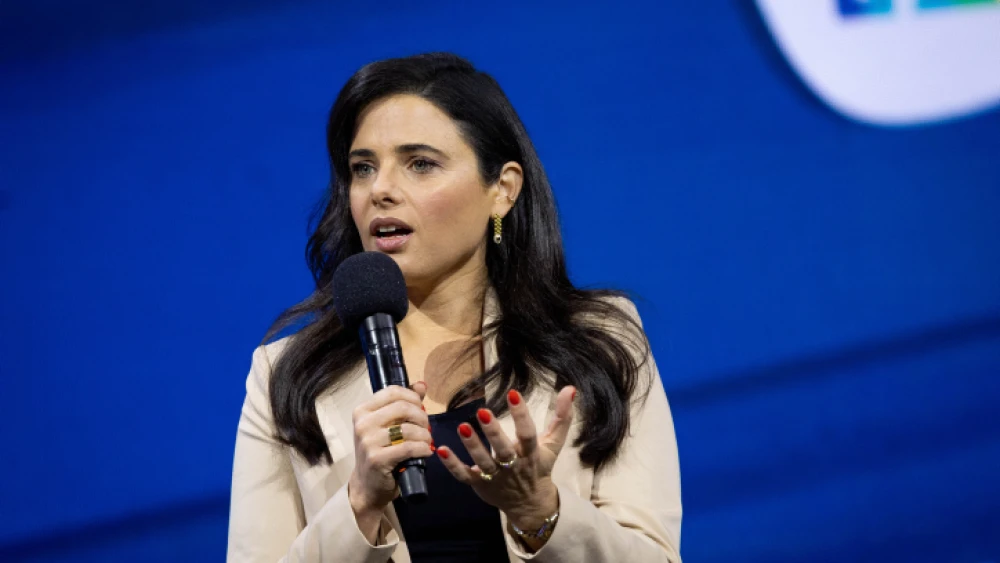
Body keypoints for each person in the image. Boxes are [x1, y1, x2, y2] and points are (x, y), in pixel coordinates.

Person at [227, 52, 682, 563]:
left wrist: (541, 512)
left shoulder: (599, 340)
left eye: (420, 164)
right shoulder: (285, 375)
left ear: (502, 191)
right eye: (362, 168)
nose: (380, 190)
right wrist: (357, 505)